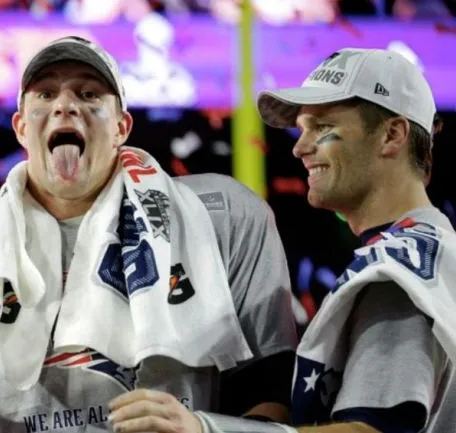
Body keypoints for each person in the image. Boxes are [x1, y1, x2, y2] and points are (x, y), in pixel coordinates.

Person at [0, 36, 298, 433]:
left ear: (122, 126)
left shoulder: (219, 214)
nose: (65, 106)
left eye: (88, 94)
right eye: (45, 94)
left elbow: (269, 388)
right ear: (22, 128)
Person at [192, 48, 456, 433]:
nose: (299, 147)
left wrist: (204, 430)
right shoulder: (427, 248)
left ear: (391, 135)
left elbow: (373, 430)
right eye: (302, 129)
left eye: (322, 127)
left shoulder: (399, 270)